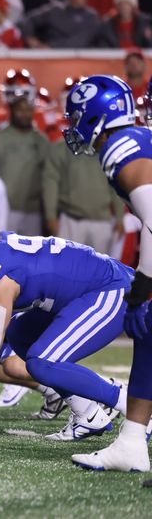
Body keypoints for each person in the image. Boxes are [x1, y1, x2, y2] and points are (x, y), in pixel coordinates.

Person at [0, 211, 132, 443]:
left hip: (109, 289)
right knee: (19, 336)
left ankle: (132, 404)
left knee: (42, 362)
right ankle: (88, 414)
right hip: (78, 293)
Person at [62, 75, 152, 472]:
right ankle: (132, 442)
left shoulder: (121, 146)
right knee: (148, 339)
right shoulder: (136, 140)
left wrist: (144, 283)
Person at [43, 138, 124, 255]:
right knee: (66, 269)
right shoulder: (61, 148)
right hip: (70, 219)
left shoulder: (107, 149)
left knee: (99, 270)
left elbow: (114, 184)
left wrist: (119, 217)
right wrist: (50, 216)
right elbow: (51, 183)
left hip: (102, 221)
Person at [0, 95, 49, 236]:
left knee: (32, 255)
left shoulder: (42, 140)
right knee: (3, 254)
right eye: (20, 110)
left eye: (28, 110)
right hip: (4, 210)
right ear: (11, 111)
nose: (24, 114)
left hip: (33, 211)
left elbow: (48, 178)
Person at [20, 0, 114, 48]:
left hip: (80, 61)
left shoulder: (91, 17)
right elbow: (28, 20)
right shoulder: (55, 10)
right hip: (50, 58)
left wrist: (50, 46)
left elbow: (79, 41)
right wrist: (30, 39)